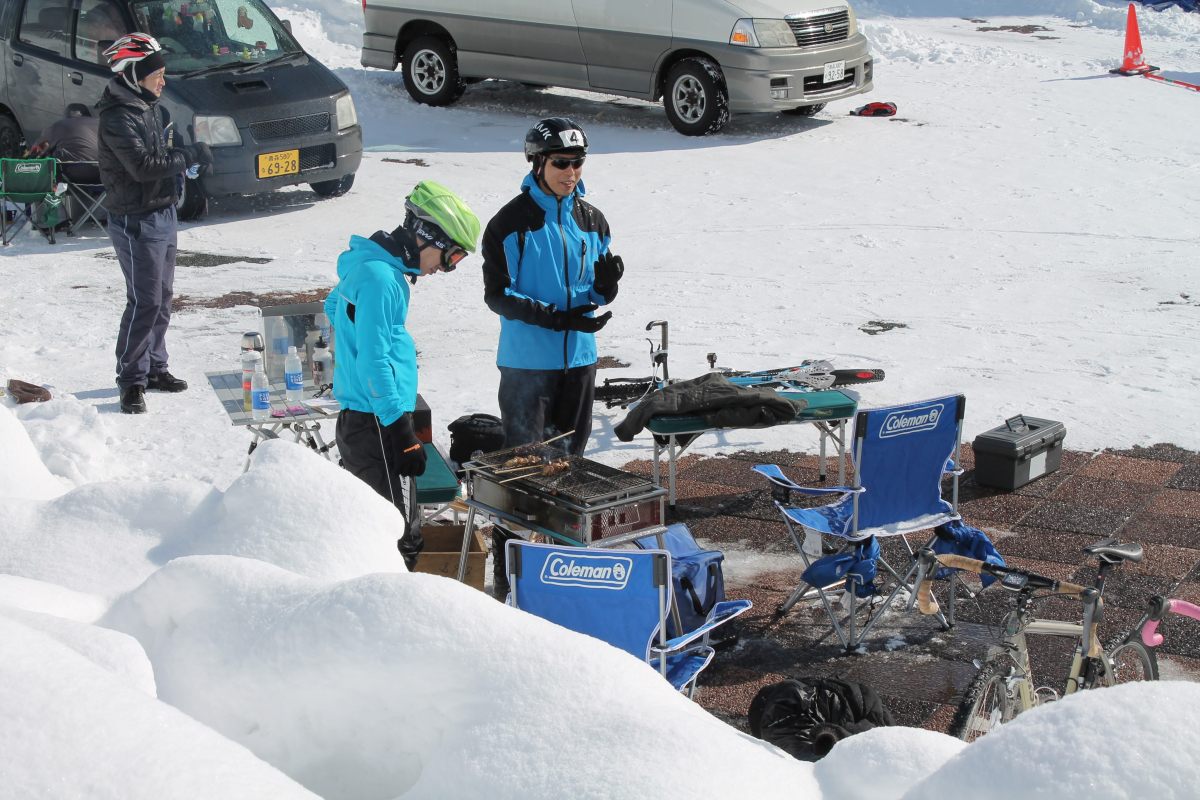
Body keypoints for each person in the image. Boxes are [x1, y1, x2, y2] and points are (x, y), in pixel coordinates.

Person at [481, 117, 624, 594]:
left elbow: (591, 293)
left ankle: (561, 570)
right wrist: (554, 318)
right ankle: (511, 579)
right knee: (524, 471)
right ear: (537, 163)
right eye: (562, 162)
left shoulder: (592, 220)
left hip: (579, 360)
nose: (571, 172)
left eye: (578, 162)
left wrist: (605, 290)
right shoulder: (509, 224)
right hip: (526, 364)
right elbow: (497, 296)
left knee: (571, 466)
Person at [325, 181, 480, 570]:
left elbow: (333, 309)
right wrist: (399, 429)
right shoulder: (382, 279)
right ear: (428, 236)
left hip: (365, 420)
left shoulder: (367, 266)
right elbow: (373, 360)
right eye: (452, 257)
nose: (446, 269)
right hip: (378, 424)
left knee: (373, 529)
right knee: (398, 538)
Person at [97, 33, 212, 414]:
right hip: (135, 219)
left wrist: (183, 161)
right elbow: (143, 167)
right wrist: (189, 155)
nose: (163, 81)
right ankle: (130, 380)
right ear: (133, 75)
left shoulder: (149, 107)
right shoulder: (117, 117)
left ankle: (154, 368)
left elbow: (162, 151)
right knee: (144, 301)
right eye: (156, 75)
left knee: (162, 300)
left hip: (163, 213)